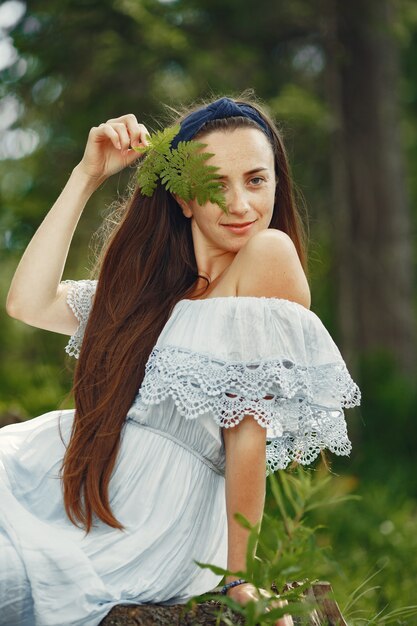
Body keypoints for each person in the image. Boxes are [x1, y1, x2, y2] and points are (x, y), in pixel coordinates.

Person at [1, 94, 361, 626]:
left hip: (153, 523)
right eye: (214, 184)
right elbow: (27, 302)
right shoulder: (147, 299)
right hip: (63, 485)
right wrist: (86, 175)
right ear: (184, 199)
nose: (240, 203)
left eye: (256, 180)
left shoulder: (269, 256)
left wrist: (239, 576)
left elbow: (246, 428)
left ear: (276, 185)